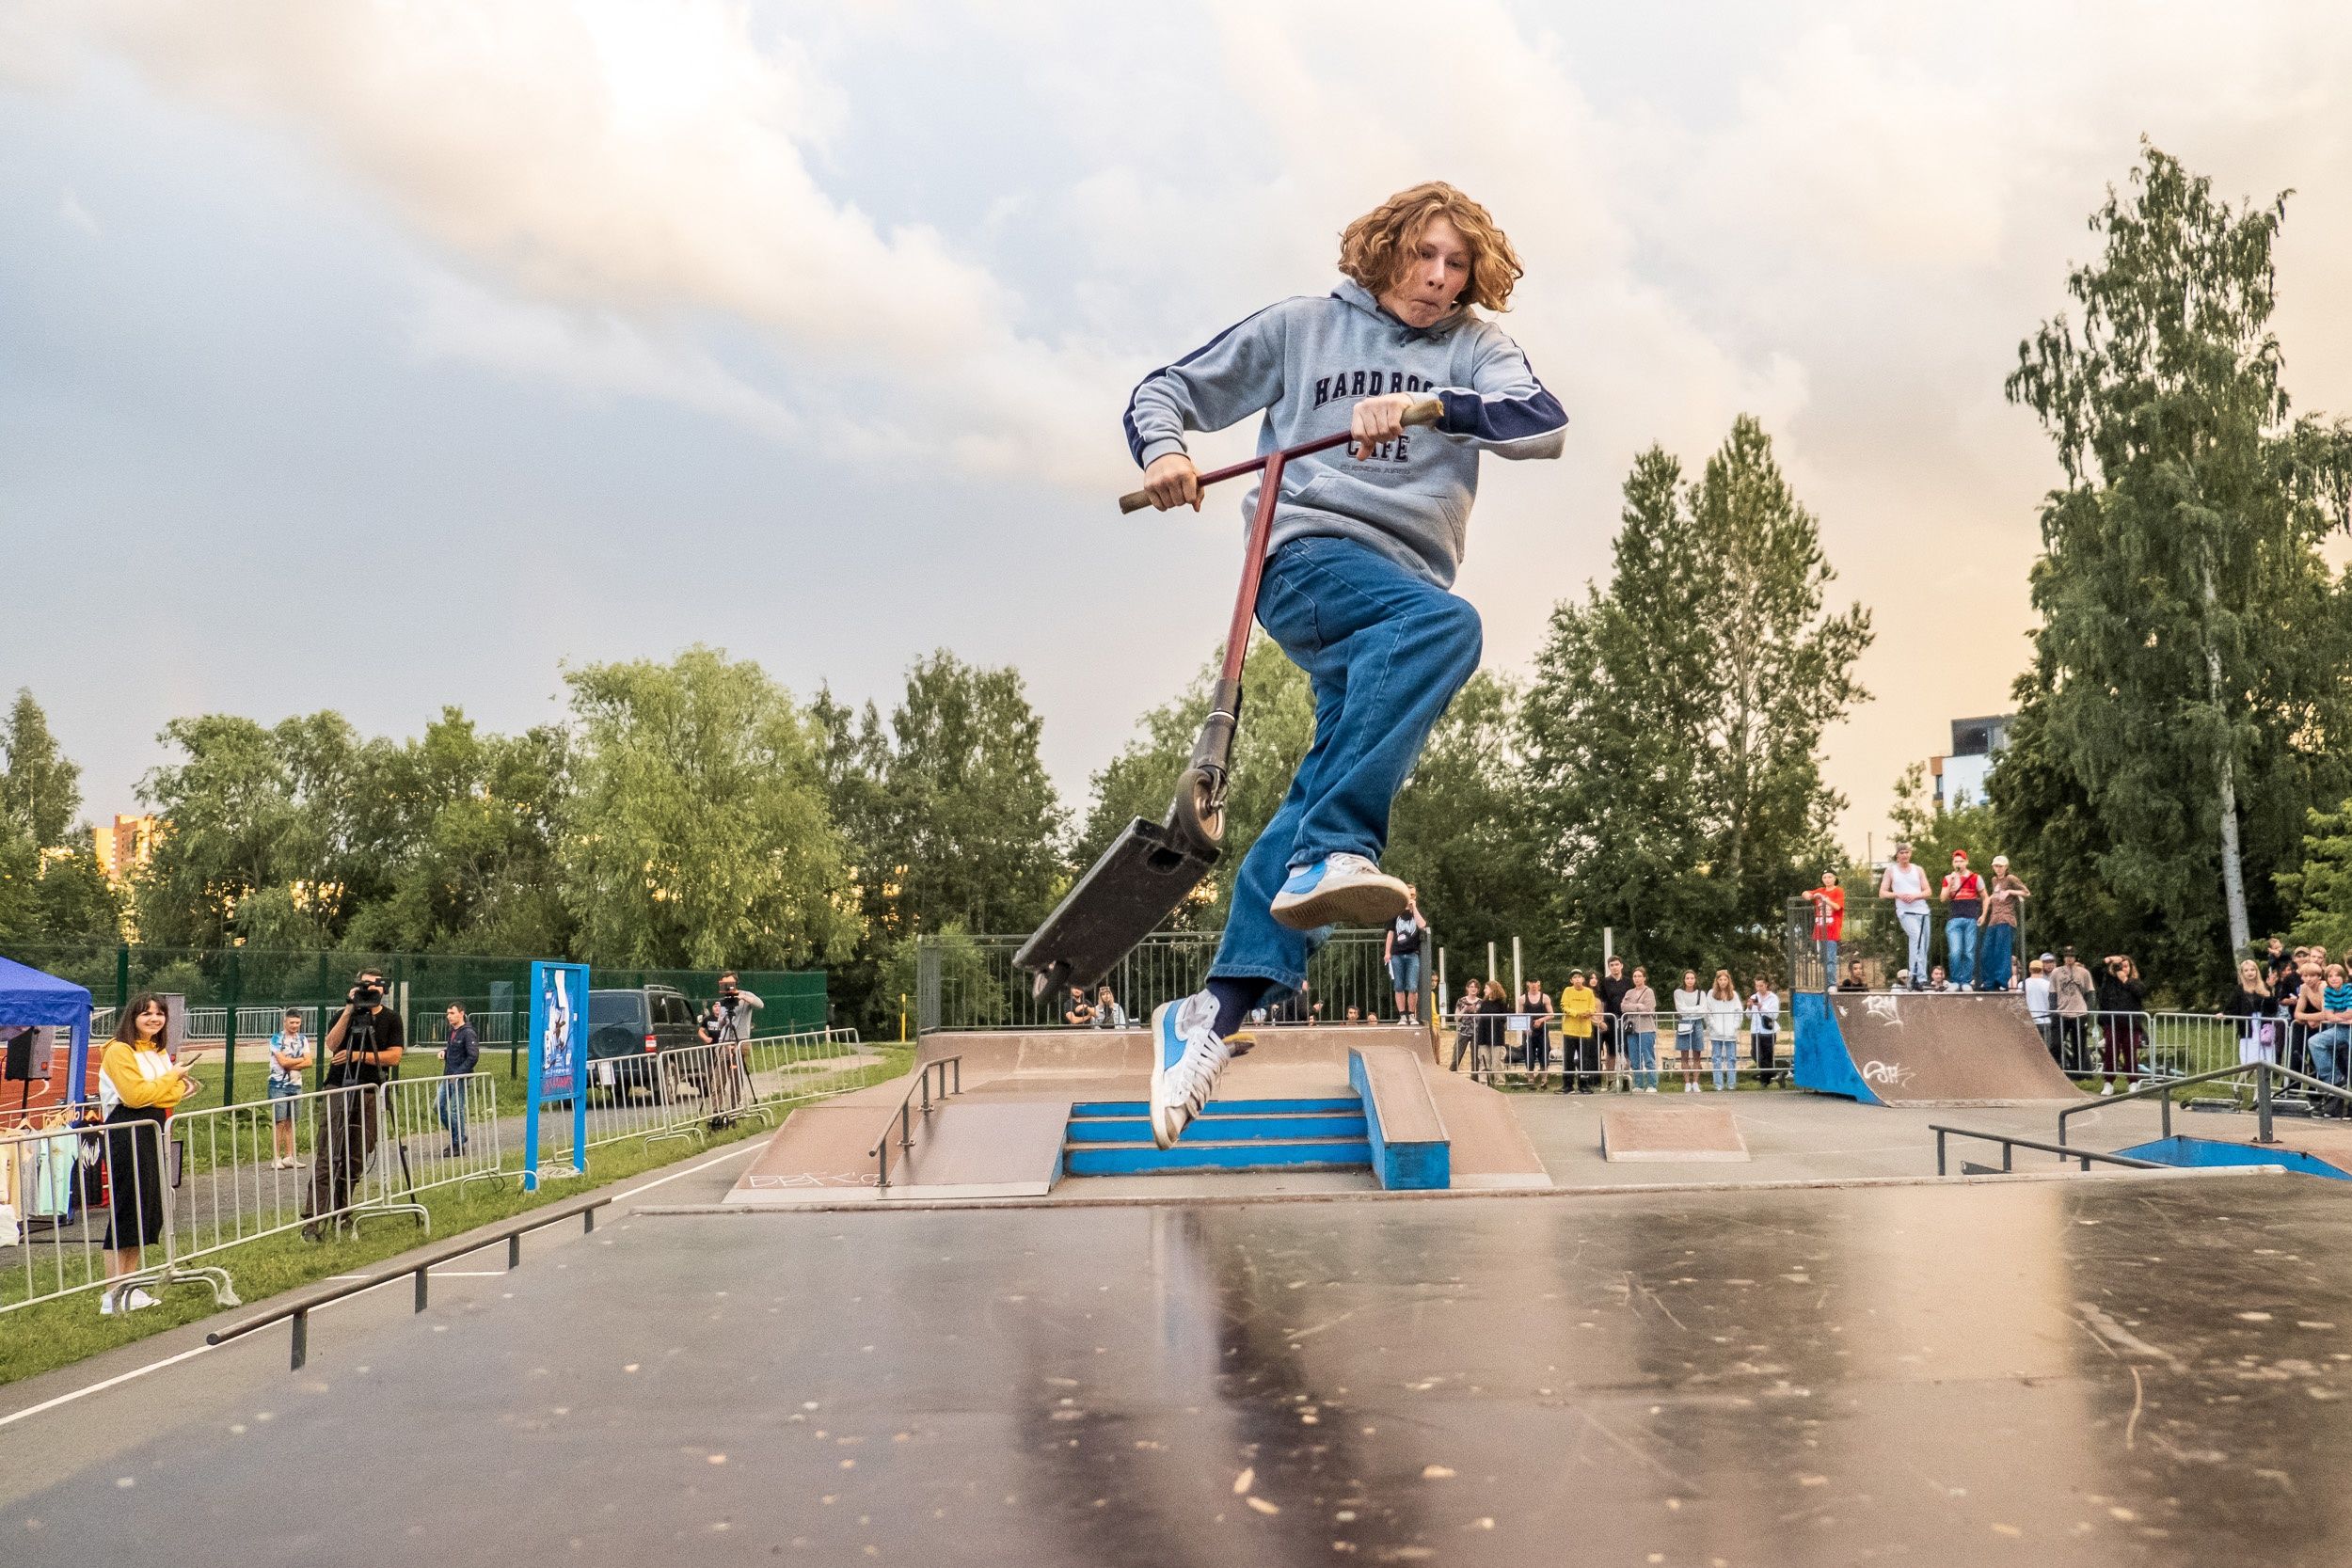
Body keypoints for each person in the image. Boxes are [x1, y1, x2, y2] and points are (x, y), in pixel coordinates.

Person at [1127, 182, 1567, 1149]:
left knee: (1326, 783)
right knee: (1446, 632)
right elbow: (1166, 390)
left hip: (1391, 601)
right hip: (1309, 559)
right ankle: (1332, 848)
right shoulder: (1300, 329)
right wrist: (1166, 450)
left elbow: (1542, 423)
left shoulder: (1475, 349)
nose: (1437, 281)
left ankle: (1211, 1013)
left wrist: (1428, 405)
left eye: (1457, 267)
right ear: (1385, 251)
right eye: (1423, 259)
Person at [98, 993, 198, 1314]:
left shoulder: (156, 1051)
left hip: (153, 1127)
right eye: (146, 1014)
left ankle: (132, 1282)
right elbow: (135, 1094)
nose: (154, 1019)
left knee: (147, 1207)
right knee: (128, 1207)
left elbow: (175, 1094)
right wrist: (172, 1078)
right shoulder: (118, 1050)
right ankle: (112, 1292)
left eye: (159, 1014)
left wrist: (169, 1085)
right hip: (127, 1131)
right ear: (133, 1017)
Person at [304, 967, 404, 1241]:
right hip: (338, 1088)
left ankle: (342, 1211)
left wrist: (357, 1055)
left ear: (383, 989)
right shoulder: (344, 1014)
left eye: (373, 986)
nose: (367, 991)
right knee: (328, 1153)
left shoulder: (392, 1019)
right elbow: (331, 1044)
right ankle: (313, 1220)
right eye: (363, 986)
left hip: (370, 1092)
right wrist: (349, 1010)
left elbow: (394, 1057)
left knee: (356, 1156)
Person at [2223, 958, 2283, 1086]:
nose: (2250, 973)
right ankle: (2237, 1086)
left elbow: (2273, 1009)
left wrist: (2268, 994)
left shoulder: (2264, 986)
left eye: (2252, 969)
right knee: (2250, 1062)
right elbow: (2232, 1008)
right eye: (2246, 970)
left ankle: (2258, 1095)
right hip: (2248, 1031)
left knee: (2263, 1063)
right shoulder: (2239, 990)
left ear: (2256, 971)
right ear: (2242, 973)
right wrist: (2224, 1016)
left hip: (2264, 1029)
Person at [2092, 955, 2147, 1096]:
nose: (2123, 968)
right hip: (2112, 1023)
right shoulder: (2108, 981)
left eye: (2126, 966)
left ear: (2130, 968)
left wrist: (2125, 980)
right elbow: (2094, 969)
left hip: (2131, 1025)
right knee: (2111, 1052)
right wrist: (2109, 960)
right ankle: (2108, 1082)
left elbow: (2141, 992)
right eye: (2120, 966)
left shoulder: (2135, 982)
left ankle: (2133, 1082)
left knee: (2130, 1053)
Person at [265, 1010, 313, 1170]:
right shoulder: (276, 1039)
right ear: (285, 1022)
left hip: (296, 1084)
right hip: (278, 1085)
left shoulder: (302, 1039)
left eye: (297, 1023)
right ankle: (276, 1157)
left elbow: (309, 1062)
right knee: (279, 1121)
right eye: (291, 1023)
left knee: (291, 1121)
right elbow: (283, 1062)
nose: (294, 1026)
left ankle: (289, 1156)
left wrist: (293, 1062)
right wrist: (300, 1060)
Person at [1879, 845, 1931, 987]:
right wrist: (1898, 894)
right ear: (1897, 855)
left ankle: (1921, 977)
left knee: (1923, 945)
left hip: (1922, 910)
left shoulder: (1918, 869)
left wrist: (1915, 896)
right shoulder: (1891, 870)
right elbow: (1882, 892)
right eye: (1901, 853)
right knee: (1916, 938)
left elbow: (1928, 891)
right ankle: (1917, 977)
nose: (1904, 855)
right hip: (1905, 912)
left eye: (1906, 852)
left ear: (1910, 854)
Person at [2308, 963, 2352, 1118]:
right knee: (2315, 1042)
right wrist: (2342, 1018)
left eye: (2337, 975)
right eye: (2330, 976)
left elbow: (2349, 1011)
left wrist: (2339, 1017)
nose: (2334, 979)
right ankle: (2334, 1078)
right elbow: (2328, 1014)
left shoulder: (2349, 989)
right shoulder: (2328, 991)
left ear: (2343, 977)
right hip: (2341, 1029)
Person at [1980, 857, 2029, 991]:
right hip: (1993, 920)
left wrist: (2010, 891)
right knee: (1986, 951)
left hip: (2006, 919)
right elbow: (1992, 897)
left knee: (2001, 951)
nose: (1998, 869)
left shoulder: (2011, 879)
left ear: (2006, 867)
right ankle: (1989, 981)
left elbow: (2026, 892)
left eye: (2001, 866)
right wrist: (1984, 914)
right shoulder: (1994, 880)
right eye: (1996, 866)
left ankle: (2001, 980)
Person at [438, 1003, 479, 1156]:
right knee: (438, 1106)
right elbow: (452, 1048)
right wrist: (444, 1051)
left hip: (460, 1077)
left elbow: (473, 1056)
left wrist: (459, 1073)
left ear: (461, 1013)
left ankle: (457, 1144)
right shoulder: (452, 1032)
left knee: (456, 1109)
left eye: (452, 1013)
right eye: (448, 1013)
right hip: (448, 1075)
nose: (449, 1016)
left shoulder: (468, 1033)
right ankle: (459, 1135)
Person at [1941, 850, 1984, 990]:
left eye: (1961, 861)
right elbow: (1942, 898)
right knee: (1955, 951)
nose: (1958, 864)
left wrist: (1983, 915)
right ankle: (1955, 980)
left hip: (1971, 918)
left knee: (1969, 952)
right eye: (1956, 861)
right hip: (1954, 919)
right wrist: (1951, 884)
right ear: (1953, 863)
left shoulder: (1975, 877)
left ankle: (1966, 981)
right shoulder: (1948, 878)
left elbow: (1985, 896)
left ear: (1966, 862)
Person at [2048, 948, 2095, 1077]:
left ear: (2075, 958)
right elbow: (2052, 992)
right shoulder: (2056, 972)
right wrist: (2053, 1010)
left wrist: (2088, 1011)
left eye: (2072, 956)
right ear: (2063, 958)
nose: (2069, 958)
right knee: (2056, 1044)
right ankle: (2054, 1069)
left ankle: (2078, 1072)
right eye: (2067, 956)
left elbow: (2090, 992)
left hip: (2079, 1012)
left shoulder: (2083, 973)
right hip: (2062, 1012)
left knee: (2078, 1045)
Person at [1385, 893, 1428, 1023]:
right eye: (1408, 895)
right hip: (1397, 954)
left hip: (1412, 954)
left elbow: (1422, 925)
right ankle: (1402, 1015)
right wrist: (1387, 952)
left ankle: (1411, 1014)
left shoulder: (1416, 913)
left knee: (1412, 986)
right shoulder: (1395, 913)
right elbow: (1390, 933)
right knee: (1398, 986)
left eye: (1413, 895)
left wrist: (1413, 908)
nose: (1410, 897)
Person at [1799, 871, 1845, 989]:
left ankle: (1832, 983)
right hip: (1820, 929)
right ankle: (1826, 982)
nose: (1827, 879)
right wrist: (1807, 895)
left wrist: (1825, 899)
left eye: (1830, 877)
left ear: (1835, 878)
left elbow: (1837, 906)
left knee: (1830, 958)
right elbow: (1806, 893)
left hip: (1832, 929)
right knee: (1823, 958)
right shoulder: (1820, 890)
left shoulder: (1838, 891)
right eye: (1824, 877)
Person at [1703, 970, 1743, 1092]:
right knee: (1716, 1058)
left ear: (1728, 981)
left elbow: (1739, 1012)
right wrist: (1713, 1026)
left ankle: (1731, 1084)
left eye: (1725, 980)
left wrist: (1734, 1026)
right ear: (1717, 981)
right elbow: (1708, 1012)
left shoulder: (1734, 995)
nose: (1723, 982)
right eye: (1720, 980)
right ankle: (1718, 1084)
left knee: (1731, 1058)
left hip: (1730, 1032)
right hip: (1716, 1032)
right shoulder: (1711, 994)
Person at [1621, 967, 1660, 1093]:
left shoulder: (1649, 992)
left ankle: (1652, 1084)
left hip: (1646, 1027)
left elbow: (1648, 1008)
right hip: (1632, 1029)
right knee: (1634, 1057)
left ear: (1644, 978)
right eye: (1635, 976)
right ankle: (1638, 1084)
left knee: (1648, 1056)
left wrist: (1633, 1007)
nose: (1637, 978)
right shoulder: (1629, 992)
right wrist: (1637, 1006)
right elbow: (1623, 1007)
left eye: (1639, 976)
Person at [1594, 956, 1631, 1087]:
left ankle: (1626, 1079)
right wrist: (1601, 1019)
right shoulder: (1604, 982)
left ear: (1621, 965)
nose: (1614, 967)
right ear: (1609, 967)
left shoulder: (1628, 981)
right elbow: (1602, 1002)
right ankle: (1610, 1080)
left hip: (1626, 1019)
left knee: (1627, 1050)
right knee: (1611, 1051)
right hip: (1610, 1019)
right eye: (1612, 965)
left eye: (1617, 964)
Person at [1554, 973, 1592, 1092]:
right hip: (1570, 1030)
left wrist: (1589, 1012)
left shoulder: (1589, 992)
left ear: (1583, 979)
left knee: (1584, 1059)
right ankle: (1568, 1085)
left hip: (1584, 1031)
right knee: (1568, 1058)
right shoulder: (1567, 990)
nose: (1577, 980)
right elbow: (1564, 1006)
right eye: (1574, 978)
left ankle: (1584, 1085)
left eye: (1579, 977)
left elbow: (1592, 1007)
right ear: (1571, 980)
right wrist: (1576, 1013)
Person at [1673, 970, 1707, 1094]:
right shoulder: (1678, 992)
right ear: (1684, 980)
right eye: (1687, 978)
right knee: (1684, 1054)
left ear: (1695, 980)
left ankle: (1696, 1082)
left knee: (1697, 1053)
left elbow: (1703, 1010)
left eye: (1692, 978)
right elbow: (1681, 1009)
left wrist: (1690, 1010)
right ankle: (1687, 1082)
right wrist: (1694, 1009)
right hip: (1684, 1023)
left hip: (1697, 1022)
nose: (1690, 980)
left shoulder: (1701, 993)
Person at [1747, 974, 1781, 1087]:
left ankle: (1764, 1081)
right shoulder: (1753, 997)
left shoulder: (1773, 998)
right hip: (1755, 1029)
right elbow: (1748, 1016)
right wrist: (1749, 1007)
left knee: (1767, 1055)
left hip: (1768, 1030)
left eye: (1761, 985)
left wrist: (1762, 1007)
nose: (1759, 988)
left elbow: (1774, 1015)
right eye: (1757, 986)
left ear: (1766, 984)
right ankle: (1774, 1072)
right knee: (1755, 1053)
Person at [1450, 976, 1483, 1073]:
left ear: (1478, 989)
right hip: (1463, 1030)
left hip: (1476, 1031)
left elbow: (1483, 1017)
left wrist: (1476, 1011)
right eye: (1471, 986)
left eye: (1476, 987)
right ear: (1467, 988)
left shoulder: (1481, 1002)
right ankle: (1451, 1073)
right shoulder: (1461, 1001)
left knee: (1475, 1056)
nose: (1473, 989)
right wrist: (1465, 1010)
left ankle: (1475, 1077)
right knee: (1457, 1054)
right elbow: (1456, 1017)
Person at [2025, 957, 2056, 1053]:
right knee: (2045, 1053)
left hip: (2028, 1020)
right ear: (2042, 970)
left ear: (2030, 970)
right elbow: (2052, 1002)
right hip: (2045, 1020)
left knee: (2030, 1052)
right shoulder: (2048, 984)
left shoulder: (2022, 985)